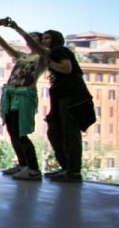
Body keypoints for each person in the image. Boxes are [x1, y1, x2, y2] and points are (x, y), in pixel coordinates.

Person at [9, 20, 95, 183]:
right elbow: (36, 47)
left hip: (72, 98)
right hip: (61, 99)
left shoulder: (60, 50)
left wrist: (17, 28)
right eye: (43, 38)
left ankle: (74, 172)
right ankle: (66, 167)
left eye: (47, 38)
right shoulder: (50, 53)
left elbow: (67, 68)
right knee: (54, 132)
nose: (43, 41)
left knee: (71, 135)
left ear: (55, 40)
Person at [0, 18, 48, 181]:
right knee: (12, 131)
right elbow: (6, 47)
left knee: (21, 132)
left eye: (35, 39)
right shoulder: (22, 56)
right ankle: (23, 164)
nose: (31, 41)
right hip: (11, 94)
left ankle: (33, 168)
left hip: (24, 96)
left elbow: (33, 44)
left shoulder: (43, 57)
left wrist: (16, 28)